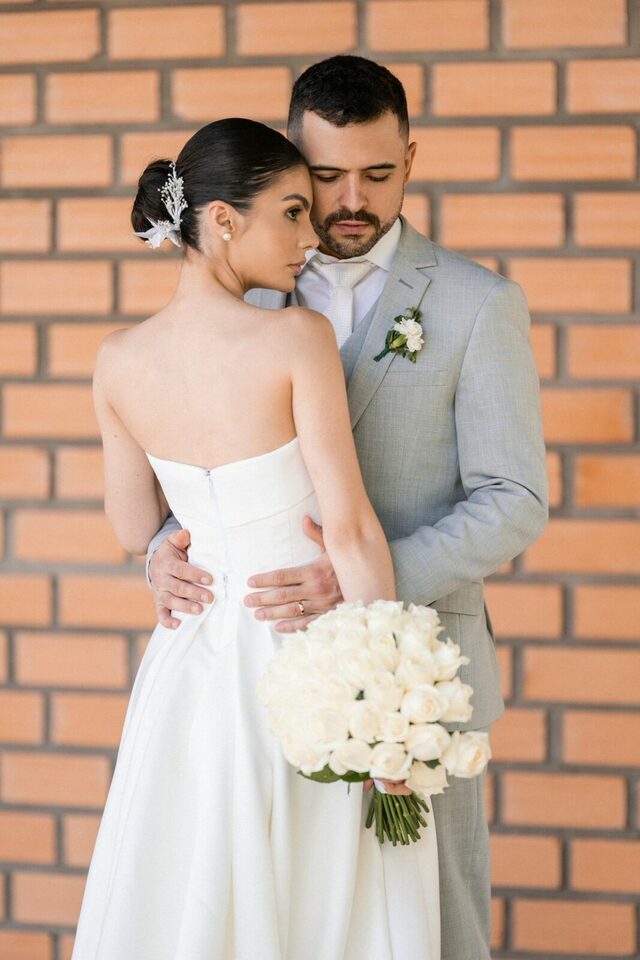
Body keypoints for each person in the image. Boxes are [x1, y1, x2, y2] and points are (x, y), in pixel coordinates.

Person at [147, 57, 548, 960]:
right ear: (293, 159)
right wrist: (164, 546)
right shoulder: (242, 294)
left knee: (433, 930)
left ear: (411, 159)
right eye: (326, 176)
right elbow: (201, 470)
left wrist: (364, 579)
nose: (353, 199)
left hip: (416, 682)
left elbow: (515, 500)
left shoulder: (478, 304)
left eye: (378, 172)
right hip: (254, 684)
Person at [71, 117, 441, 960]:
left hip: (191, 660)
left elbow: (133, 527)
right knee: (321, 895)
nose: (310, 238)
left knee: (193, 880)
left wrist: (169, 552)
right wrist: (387, 706)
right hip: (301, 659)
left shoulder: (118, 359)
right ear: (223, 221)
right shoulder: (295, 338)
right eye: (292, 213)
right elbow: (349, 526)